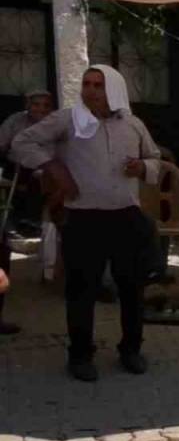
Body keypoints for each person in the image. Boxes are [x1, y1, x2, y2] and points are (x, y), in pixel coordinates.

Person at [12, 65, 160, 382]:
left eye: (98, 85)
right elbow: (22, 143)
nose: (90, 90)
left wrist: (142, 167)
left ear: (115, 90)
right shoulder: (67, 120)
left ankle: (131, 349)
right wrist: (52, 166)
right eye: (87, 84)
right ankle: (80, 355)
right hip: (82, 217)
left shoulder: (133, 124)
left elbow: (157, 160)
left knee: (132, 288)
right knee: (81, 290)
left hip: (125, 216)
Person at [1, 90, 55, 232]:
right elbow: (2, 143)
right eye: (36, 104)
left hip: (47, 166)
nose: (42, 109)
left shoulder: (56, 122)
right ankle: (20, 221)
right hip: (16, 165)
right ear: (28, 105)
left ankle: (35, 222)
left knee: (42, 176)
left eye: (46, 105)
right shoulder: (15, 120)